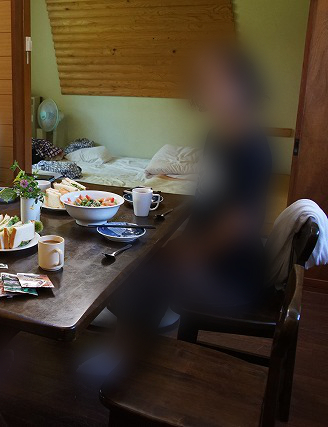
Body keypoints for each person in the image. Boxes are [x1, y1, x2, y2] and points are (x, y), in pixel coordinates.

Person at [82, 44, 272, 376]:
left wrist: (189, 251)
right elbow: (209, 199)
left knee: (138, 273)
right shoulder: (220, 136)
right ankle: (132, 341)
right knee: (137, 255)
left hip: (231, 278)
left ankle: (124, 357)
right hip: (215, 261)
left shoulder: (250, 145)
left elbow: (238, 224)